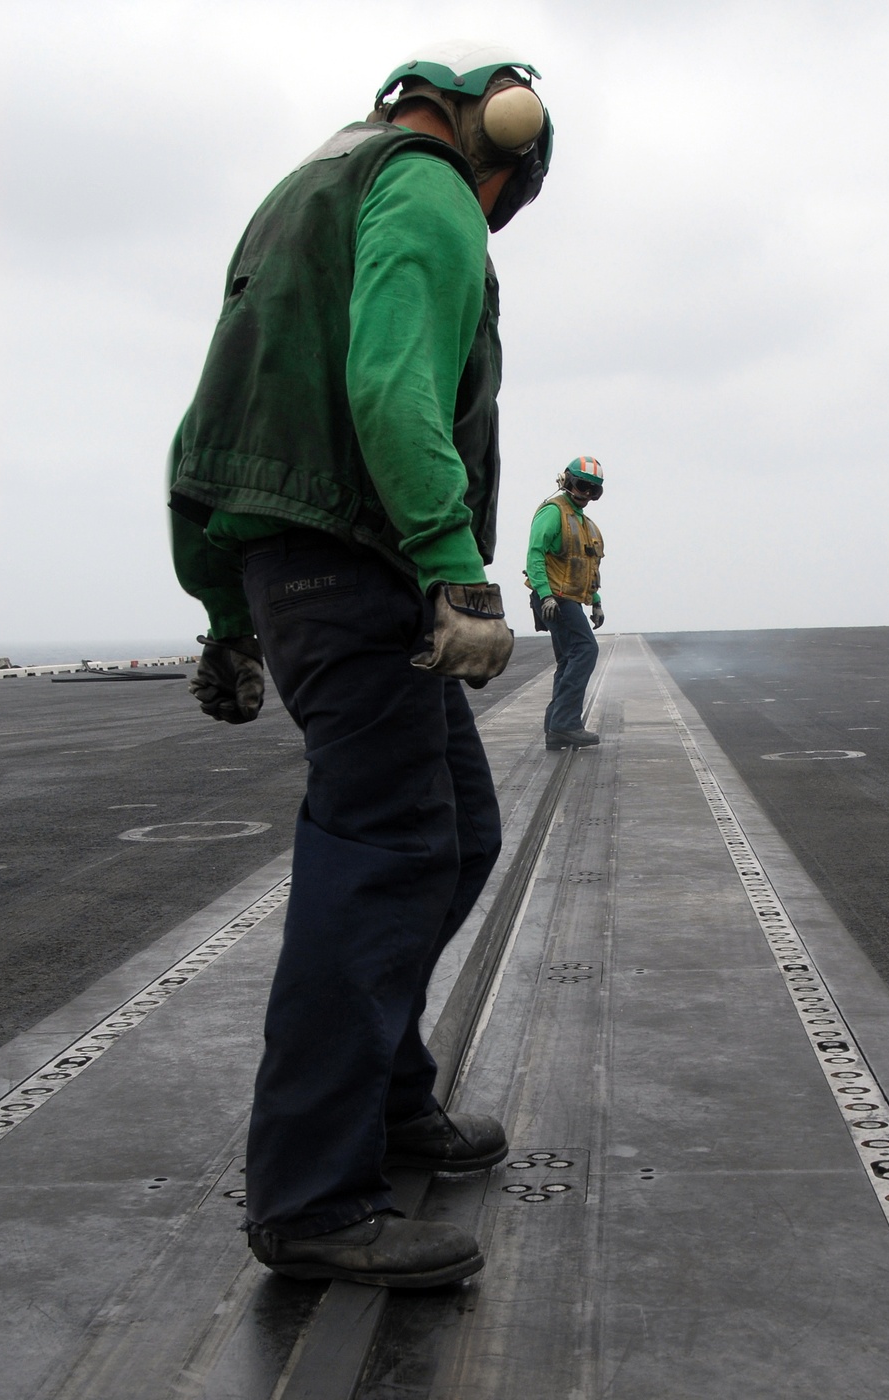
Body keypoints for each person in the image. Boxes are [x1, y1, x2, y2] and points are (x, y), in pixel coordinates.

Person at [167, 42, 552, 1288]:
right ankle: (311, 1194)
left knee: (461, 829)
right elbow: (390, 382)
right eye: (508, 196)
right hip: (364, 561)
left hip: (295, 564)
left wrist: (225, 613)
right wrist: (456, 566)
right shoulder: (430, 184)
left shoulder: (302, 192)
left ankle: (387, 1100)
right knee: (386, 851)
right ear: (502, 138)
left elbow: (215, 427)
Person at [526, 456, 606, 749]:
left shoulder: (586, 524)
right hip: (555, 599)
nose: (586, 495)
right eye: (582, 487)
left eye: (593, 491)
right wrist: (544, 594)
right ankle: (565, 723)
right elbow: (534, 554)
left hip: (568, 599)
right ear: (568, 482)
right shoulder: (553, 512)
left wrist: (595, 601)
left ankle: (555, 727)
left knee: (569, 659)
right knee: (585, 650)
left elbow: (587, 566)